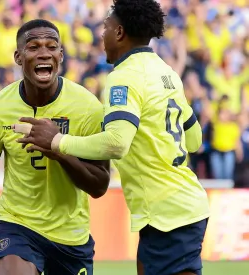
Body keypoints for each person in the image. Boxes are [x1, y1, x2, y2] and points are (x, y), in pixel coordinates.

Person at [13, 1, 210, 275]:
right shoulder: (166, 72)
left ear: (118, 32)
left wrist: (58, 142)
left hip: (167, 213)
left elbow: (117, 142)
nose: (100, 35)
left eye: (104, 28)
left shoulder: (124, 77)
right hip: (181, 207)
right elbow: (194, 140)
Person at [0, 19, 110, 275]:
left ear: (61, 56)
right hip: (17, 225)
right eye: (33, 47)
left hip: (70, 236)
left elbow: (99, 186)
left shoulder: (88, 107)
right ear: (18, 57)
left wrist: (59, 150)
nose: (44, 53)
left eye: (52, 46)